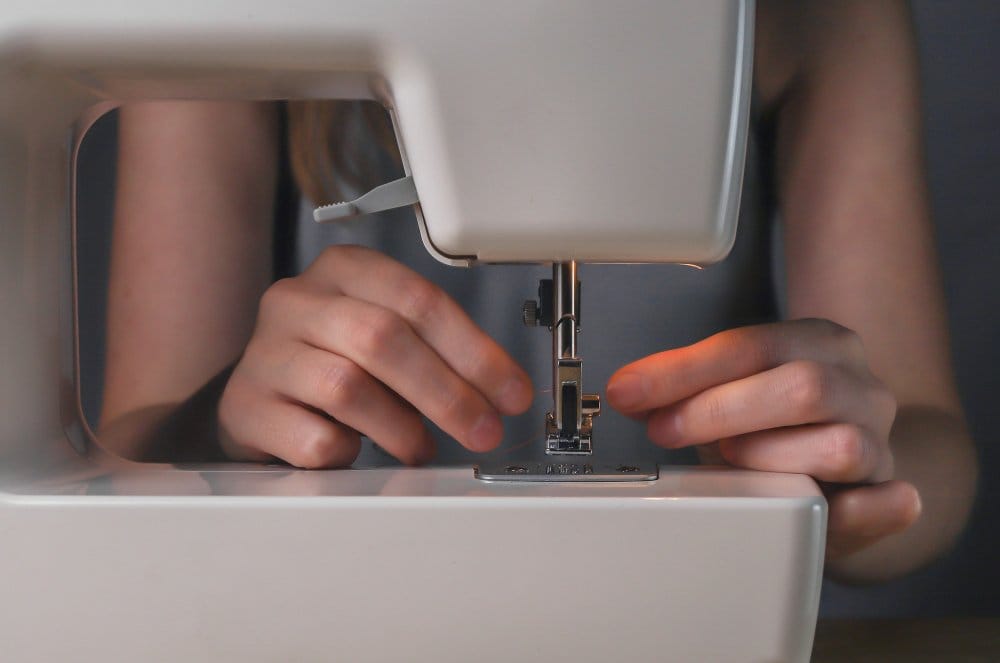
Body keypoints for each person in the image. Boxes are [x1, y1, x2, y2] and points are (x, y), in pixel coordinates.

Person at [98, 0, 976, 585]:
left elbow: (931, 441)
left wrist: (862, 479)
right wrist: (222, 424)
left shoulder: (822, 15)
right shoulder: (225, 19)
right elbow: (133, 450)